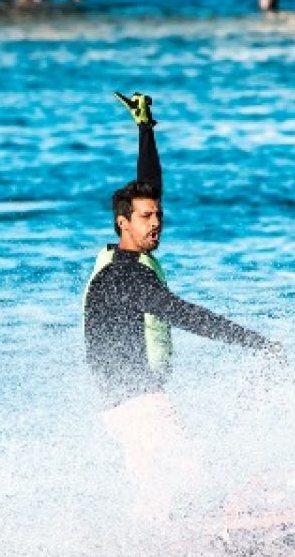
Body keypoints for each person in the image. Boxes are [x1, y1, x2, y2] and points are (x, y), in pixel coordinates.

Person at [83, 92, 280, 524]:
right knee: (194, 486)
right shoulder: (127, 275)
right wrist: (255, 342)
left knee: (159, 497)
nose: (156, 223)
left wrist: (145, 129)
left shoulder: (116, 255)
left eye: (158, 215)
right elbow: (183, 313)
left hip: (121, 403)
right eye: (146, 217)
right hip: (138, 404)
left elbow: (148, 184)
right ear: (123, 223)